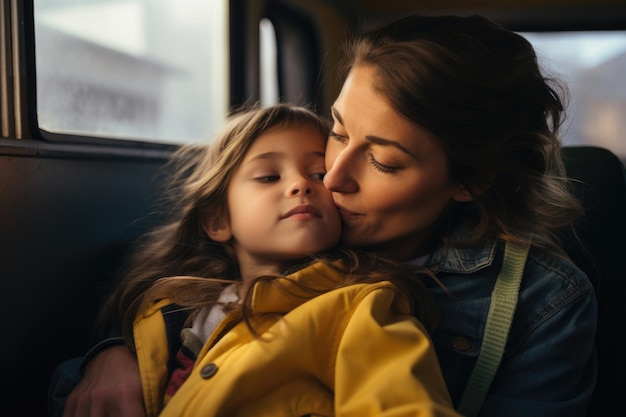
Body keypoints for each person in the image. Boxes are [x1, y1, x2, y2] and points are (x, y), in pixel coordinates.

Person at [58, 14, 597, 417]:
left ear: (470, 181)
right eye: (338, 131)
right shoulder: (262, 240)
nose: (331, 176)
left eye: (384, 161)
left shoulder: (542, 304)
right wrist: (112, 355)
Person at [54, 103, 459, 417]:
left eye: (319, 175)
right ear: (218, 220)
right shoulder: (173, 310)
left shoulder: (361, 309)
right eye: (269, 177)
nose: (301, 184)